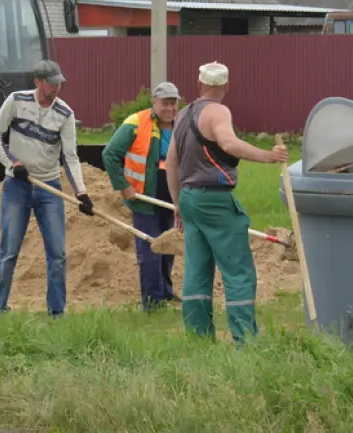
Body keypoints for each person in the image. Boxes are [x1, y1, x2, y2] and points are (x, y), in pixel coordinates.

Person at [164, 61, 288, 345]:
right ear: (226, 86)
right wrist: (268, 156)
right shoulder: (218, 111)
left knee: (196, 270)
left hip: (190, 199)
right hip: (216, 201)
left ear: (199, 83)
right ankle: (245, 340)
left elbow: (171, 161)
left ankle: (198, 338)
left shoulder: (183, 114)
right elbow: (229, 144)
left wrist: (177, 205)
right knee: (238, 270)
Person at [0, 59, 94, 317]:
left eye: (59, 83)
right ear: (38, 81)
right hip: (17, 187)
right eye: (52, 83)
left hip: (49, 188)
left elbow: (70, 156)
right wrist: (13, 164)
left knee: (57, 254)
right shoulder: (16, 100)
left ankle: (57, 312)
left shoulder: (65, 113)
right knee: (9, 250)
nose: (57, 88)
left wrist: (81, 192)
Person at [102, 81, 183, 312]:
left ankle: (165, 292)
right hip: (144, 198)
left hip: (172, 197)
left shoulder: (182, 125)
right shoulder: (136, 122)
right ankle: (152, 301)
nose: (169, 107)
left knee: (169, 244)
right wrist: (123, 186)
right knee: (150, 249)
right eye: (165, 102)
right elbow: (110, 154)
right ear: (154, 103)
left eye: (173, 102)